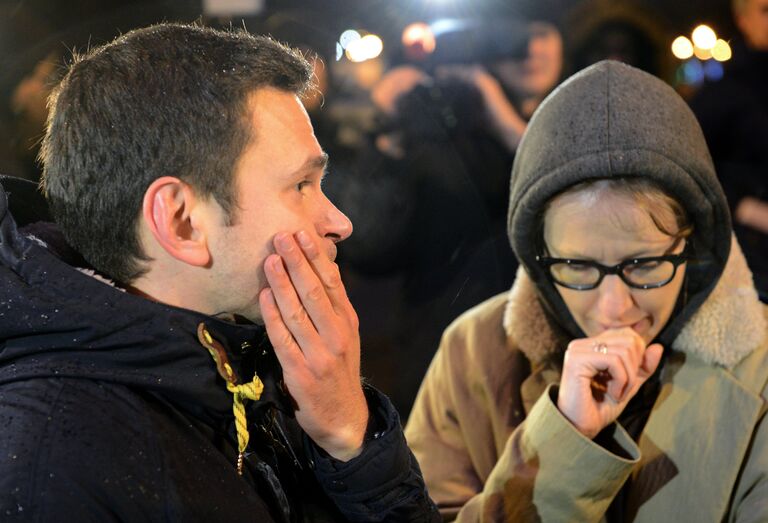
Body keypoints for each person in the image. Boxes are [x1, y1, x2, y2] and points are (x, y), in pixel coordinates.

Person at [0, 23, 439, 522]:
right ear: (182, 221)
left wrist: (349, 439)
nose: (339, 222)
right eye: (301, 185)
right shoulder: (50, 469)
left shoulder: (249, 364)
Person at [405, 60, 768, 521]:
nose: (614, 307)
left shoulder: (760, 369)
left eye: (644, 263)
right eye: (577, 266)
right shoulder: (473, 352)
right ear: (538, 254)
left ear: (693, 242)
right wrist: (563, 445)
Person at [333, 13, 565, 418]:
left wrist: (504, 121)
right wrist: (387, 135)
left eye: (542, 32)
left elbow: (569, 198)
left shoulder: (571, 117)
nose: (531, 51)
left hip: (549, 355)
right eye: (515, 37)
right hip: (437, 358)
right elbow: (368, 247)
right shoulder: (437, 132)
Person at [689, 0, 768, 299]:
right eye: (766, 11)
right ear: (743, 20)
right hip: (753, 264)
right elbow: (694, 168)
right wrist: (746, 208)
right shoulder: (724, 95)